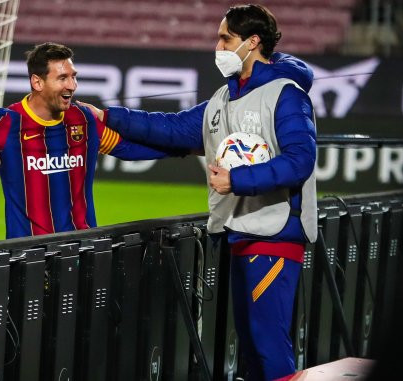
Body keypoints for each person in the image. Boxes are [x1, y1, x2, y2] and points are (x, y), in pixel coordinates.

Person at [81, 5, 316, 380]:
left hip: (275, 234)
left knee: (268, 344)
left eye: (226, 38)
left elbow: (300, 161)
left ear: (253, 42)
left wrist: (236, 181)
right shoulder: (223, 98)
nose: (217, 45)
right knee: (252, 347)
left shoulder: (286, 95)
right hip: (240, 233)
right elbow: (173, 131)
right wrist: (107, 119)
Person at [0, 42, 177, 238]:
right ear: (37, 82)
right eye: (63, 78)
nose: (72, 85)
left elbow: (124, 147)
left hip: (83, 245)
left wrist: (180, 149)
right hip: (28, 253)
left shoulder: (82, 118)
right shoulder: (8, 122)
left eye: (74, 77)